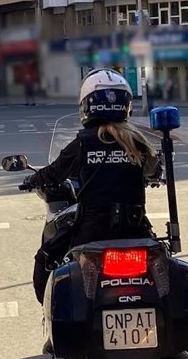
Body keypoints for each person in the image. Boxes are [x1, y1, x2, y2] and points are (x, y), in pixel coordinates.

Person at [26, 68, 160, 308]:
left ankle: (50, 317)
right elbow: (154, 171)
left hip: (92, 230)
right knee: (164, 257)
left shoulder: (83, 141)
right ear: (126, 104)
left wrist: (32, 181)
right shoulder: (138, 141)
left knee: (46, 256)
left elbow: (55, 171)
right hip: (135, 228)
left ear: (87, 104)